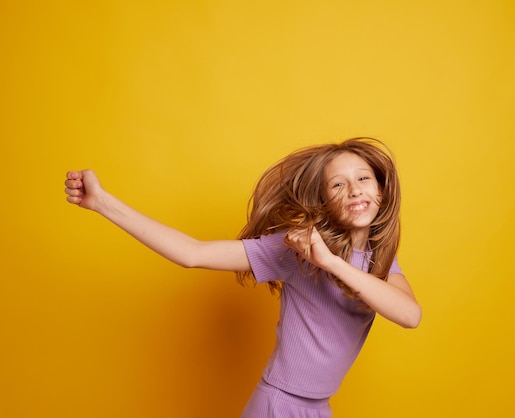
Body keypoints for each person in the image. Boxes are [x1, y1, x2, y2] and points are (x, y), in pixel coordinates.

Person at [64, 137, 421, 417]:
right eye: (338, 185)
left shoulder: (379, 262)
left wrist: (331, 263)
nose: (355, 189)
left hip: (318, 408)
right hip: (278, 406)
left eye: (362, 178)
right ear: (324, 200)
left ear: (381, 191)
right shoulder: (298, 251)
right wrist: (103, 203)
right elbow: (193, 253)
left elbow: (410, 315)